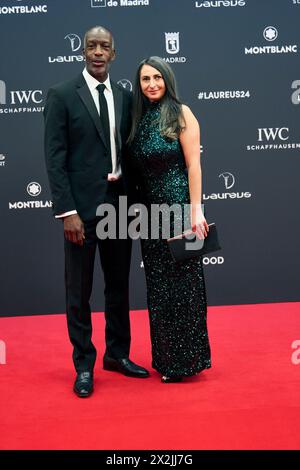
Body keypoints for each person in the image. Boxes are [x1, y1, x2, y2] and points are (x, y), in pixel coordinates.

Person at [44, 26, 149, 398]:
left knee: (118, 285)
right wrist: (66, 211)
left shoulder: (124, 96)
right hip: (81, 211)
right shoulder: (61, 96)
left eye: (105, 46)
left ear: (114, 54)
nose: (98, 52)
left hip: (120, 207)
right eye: (92, 45)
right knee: (80, 290)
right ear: (83, 51)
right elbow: (55, 158)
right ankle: (84, 364)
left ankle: (117, 354)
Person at [128, 56, 211, 383]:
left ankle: (189, 360)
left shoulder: (182, 113)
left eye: (157, 78)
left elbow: (194, 165)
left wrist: (196, 210)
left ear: (168, 80)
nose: (151, 84)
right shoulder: (137, 119)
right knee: (159, 288)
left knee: (185, 286)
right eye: (145, 79)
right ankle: (165, 360)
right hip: (149, 217)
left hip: (178, 212)